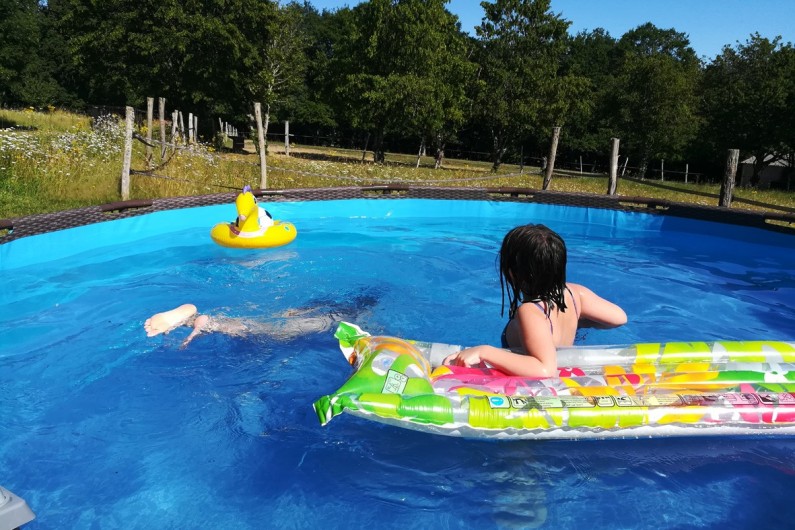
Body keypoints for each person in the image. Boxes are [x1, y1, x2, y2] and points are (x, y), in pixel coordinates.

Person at [443, 224, 627, 377]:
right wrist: (580, 321)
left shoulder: (530, 311)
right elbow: (619, 318)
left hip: (535, 389)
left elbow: (544, 369)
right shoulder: (575, 294)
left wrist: (484, 351)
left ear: (512, 273)